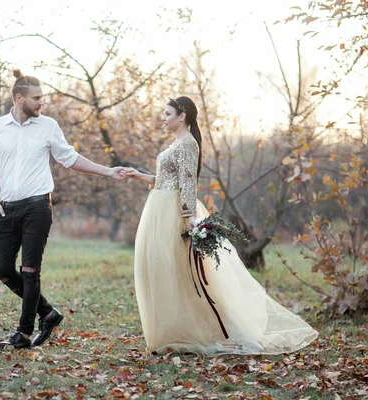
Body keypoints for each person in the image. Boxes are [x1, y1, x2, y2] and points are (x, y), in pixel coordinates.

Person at [124, 96, 318, 355]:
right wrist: (139, 176)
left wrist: (189, 216)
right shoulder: (177, 143)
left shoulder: (188, 145)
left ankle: (201, 330)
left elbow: (188, 182)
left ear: (182, 116)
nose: (163, 117)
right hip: (159, 209)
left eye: (167, 113)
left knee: (182, 273)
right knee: (162, 271)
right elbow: (165, 181)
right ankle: (171, 332)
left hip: (174, 213)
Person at [0, 69, 126, 349]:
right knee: (3, 270)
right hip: (7, 210)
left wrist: (108, 172)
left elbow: (69, 159)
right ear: (19, 99)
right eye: (36, 98)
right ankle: (48, 313)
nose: (41, 102)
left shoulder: (48, 126)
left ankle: (22, 333)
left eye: (42, 97)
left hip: (37, 208)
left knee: (30, 271)